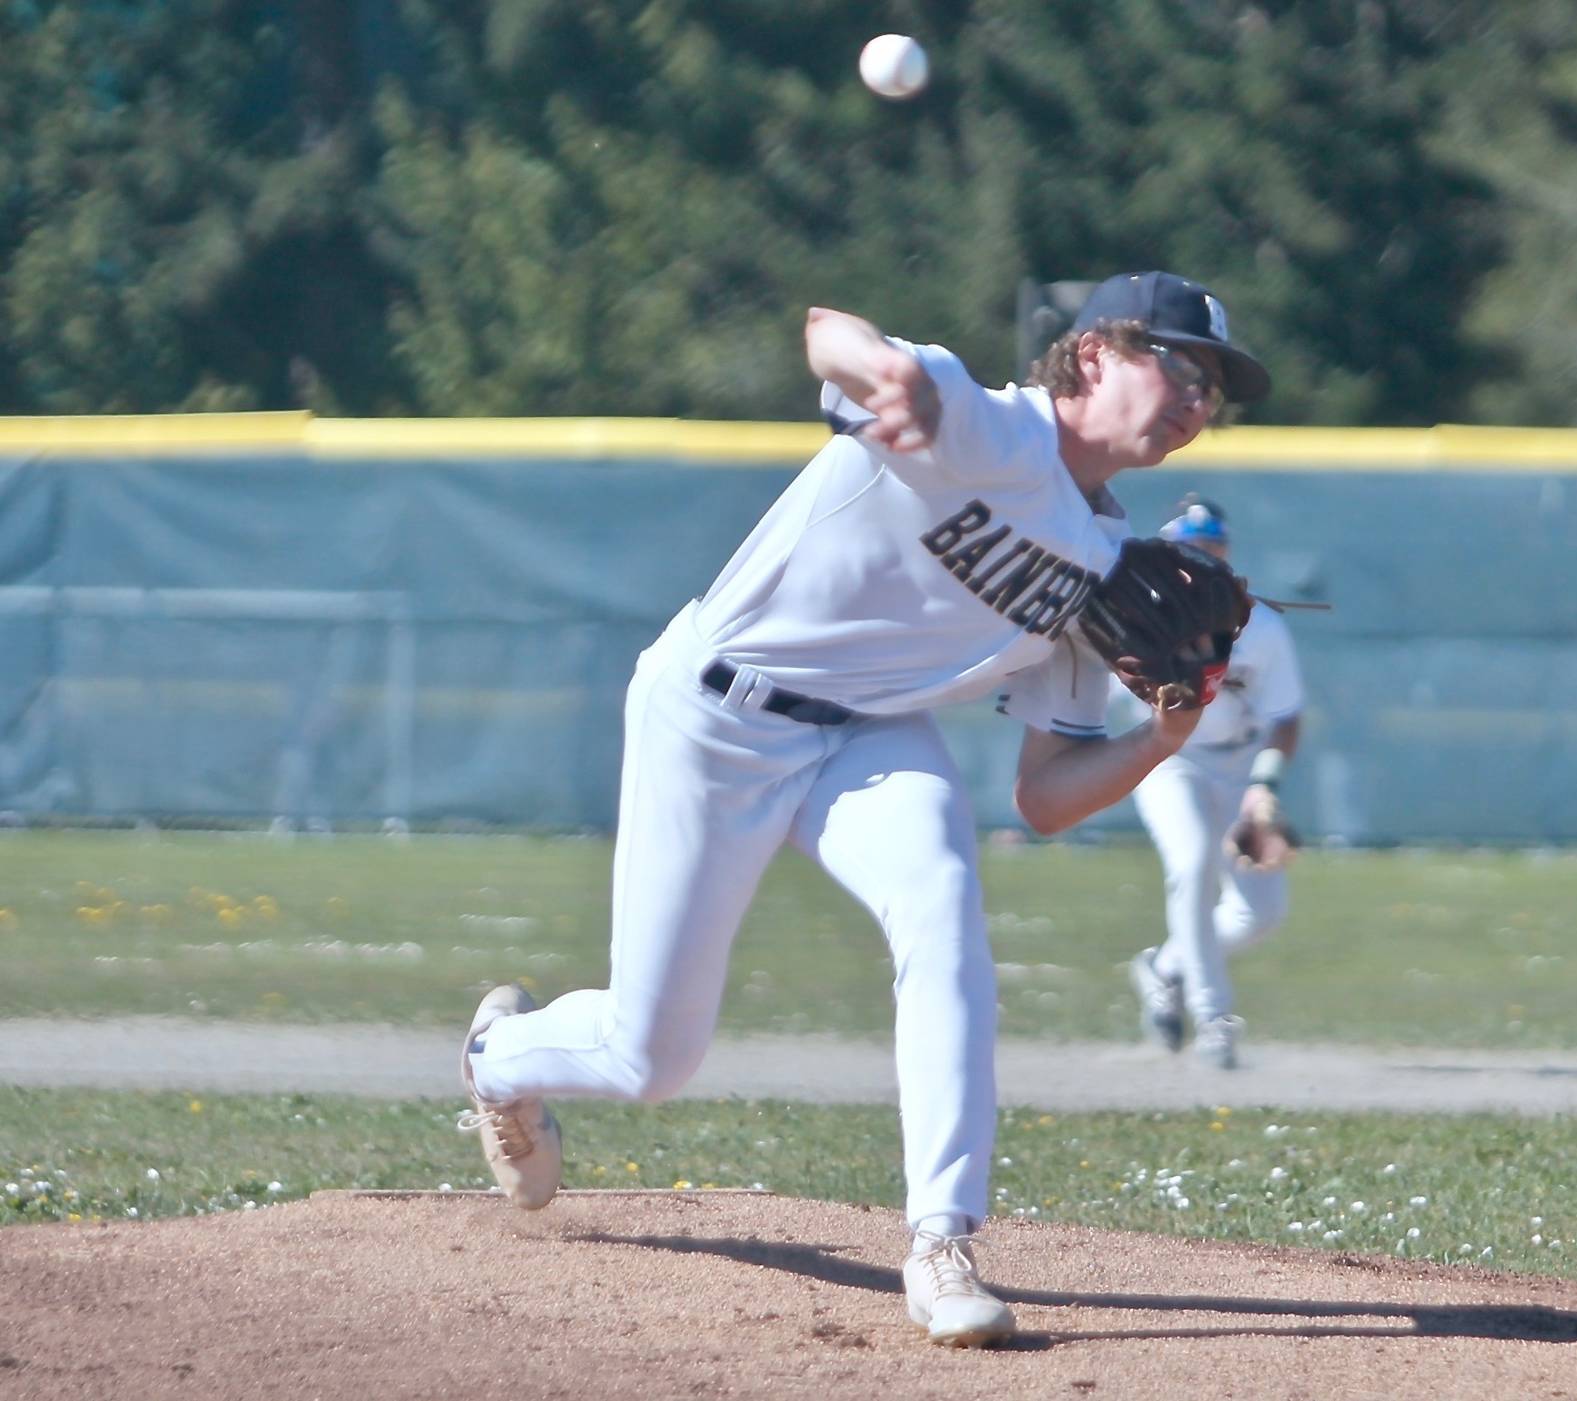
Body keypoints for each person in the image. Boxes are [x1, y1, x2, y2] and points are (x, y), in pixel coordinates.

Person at [453, 271, 1270, 1348]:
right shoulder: (981, 425)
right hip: (714, 716)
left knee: (940, 895)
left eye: (1212, 385)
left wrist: (1161, 737)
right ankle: (497, 1060)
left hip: (866, 734)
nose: (1196, 398)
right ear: (1088, 357)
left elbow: (1044, 800)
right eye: (1177, 364)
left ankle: (940, 1240)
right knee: (654, 1060)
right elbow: (822, 334)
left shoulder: (1109, 569)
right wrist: (886, 377)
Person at [1125, 497, 1304, 1070]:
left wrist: (1265, 786)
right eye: (1189, 548)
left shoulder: (1263, 626)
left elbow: (1286, 717)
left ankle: (1165, 968)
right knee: (1194, 864)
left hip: (1240, 763)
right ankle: (1213, 1018)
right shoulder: (1140, 618)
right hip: (1168, 758)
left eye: (1212, 548)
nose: (1202, 559)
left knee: (1262, 911)